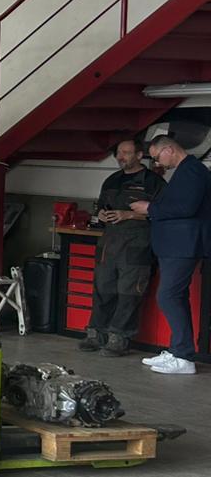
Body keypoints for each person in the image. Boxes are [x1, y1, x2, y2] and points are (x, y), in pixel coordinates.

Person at [131, 134, 211, 375]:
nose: (158, 163)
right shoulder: (185, 171)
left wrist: (150, 208)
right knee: (175, 296)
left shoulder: (193, 171)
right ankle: (178, 351)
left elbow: (186, 207)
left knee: (168, 296)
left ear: (169, 149)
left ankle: (183, 356)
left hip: (183, 246)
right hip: (175, 246)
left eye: (157, 157)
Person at [83, 138, 165, 356]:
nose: (121, 157)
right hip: (109, 244)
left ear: (139, 155)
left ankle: (119, 338)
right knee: (103, 289)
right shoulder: (112, 180)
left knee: (129, 293)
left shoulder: (153, 182)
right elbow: (101, 206)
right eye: (119, 153)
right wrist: (101, 214)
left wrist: (129, 215)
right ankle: (96, 334)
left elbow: (164, 214)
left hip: (137, 246)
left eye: (126, 153)